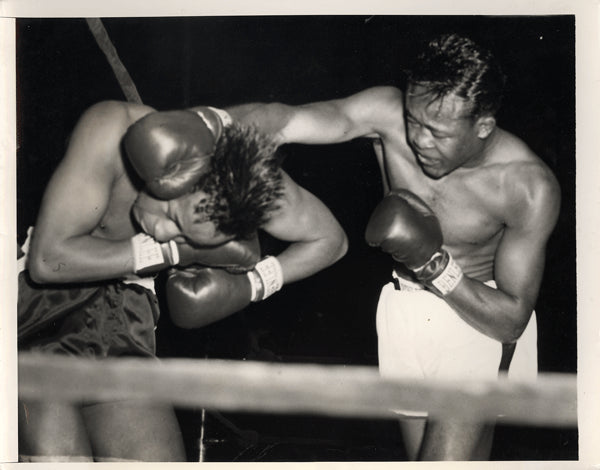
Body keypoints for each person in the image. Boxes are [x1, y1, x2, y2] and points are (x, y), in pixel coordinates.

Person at [230, 33, 561, 460]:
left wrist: (433, 264)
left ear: (483, 126)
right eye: (414, 120)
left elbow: (512, 320)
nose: (419, 140)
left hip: (477, 324)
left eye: (438, 132)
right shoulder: (386, 115)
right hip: (403, 311)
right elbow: (289, 120)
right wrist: (210, 125)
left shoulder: (527, 185)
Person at [18, 101, 348, 462]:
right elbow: (48, 261)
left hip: (126, 313)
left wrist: (253, 283)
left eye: (185, 236)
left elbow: (330, 241)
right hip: (33, 311)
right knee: (60, 458)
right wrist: (175, 253)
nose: (162, 231)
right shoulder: (112, 127)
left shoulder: (249, 186)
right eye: (172, 213)